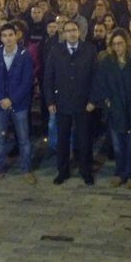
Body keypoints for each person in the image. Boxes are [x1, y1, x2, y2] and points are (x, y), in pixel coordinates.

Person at [92, 28, 131, 189]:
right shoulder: (107, 62)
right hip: (116, 110)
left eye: (120, 43)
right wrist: (106, 102)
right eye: (115, 44)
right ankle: (120, 173)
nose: (118, 47)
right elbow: (100, 83)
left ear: (127, 43)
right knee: (118, 145)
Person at [43, 21, 97, 185]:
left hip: (83, 102)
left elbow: (96, 77)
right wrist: (50, 100)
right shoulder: (56, 50)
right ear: (63, 33)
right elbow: (48, 77)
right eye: (68, 31)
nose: (71, 33)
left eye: (74, 30)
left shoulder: (89, 49)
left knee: (84, 139)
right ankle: (63, 171)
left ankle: (85, 170)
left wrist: (93, 100)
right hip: (62, 102)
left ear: (79, 32)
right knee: (62, 139)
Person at [0, 23, 36, 184]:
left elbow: (27, 81)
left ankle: (26, 169)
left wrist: (12, 99)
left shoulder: (24, 55)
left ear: (16, 36)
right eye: (4, 35)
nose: (8, 38)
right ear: (1, 38)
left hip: (19, 104)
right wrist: (1, 98)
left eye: (10, 35)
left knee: (23, 138)